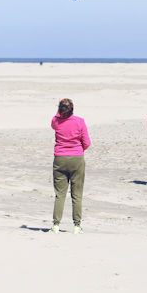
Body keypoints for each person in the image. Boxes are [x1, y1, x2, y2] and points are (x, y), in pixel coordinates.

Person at [50, 98, 91, 234]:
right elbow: (87, 142)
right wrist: (78, 150)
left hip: (60, 158)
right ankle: (77, 226)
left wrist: (59, 110)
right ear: (72, 109)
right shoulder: (79, 121)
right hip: (76, 158)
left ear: (59, 109)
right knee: (77, 194)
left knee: (60, 194)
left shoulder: (56, 121)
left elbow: (55, 120)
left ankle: (56, 225)